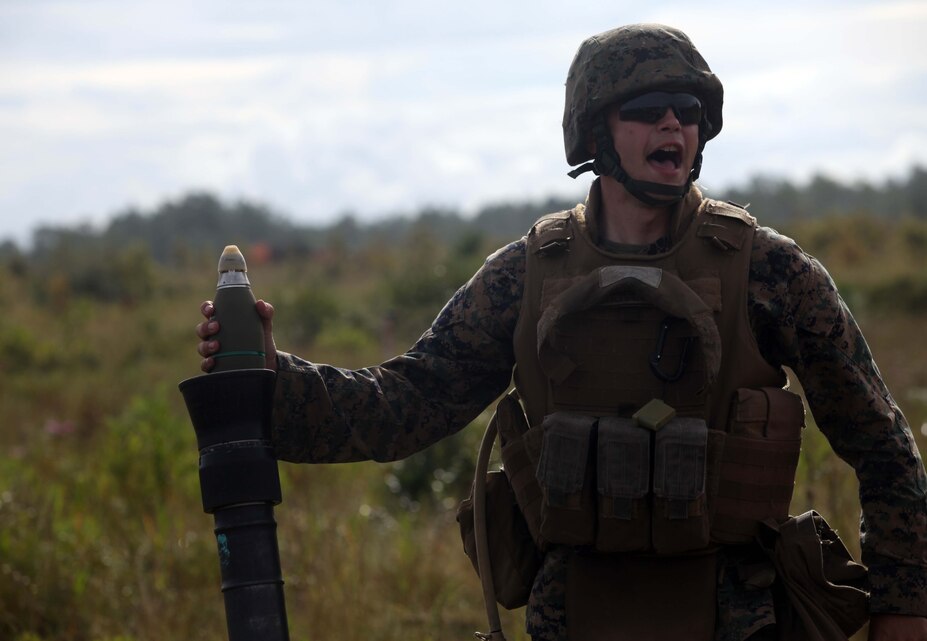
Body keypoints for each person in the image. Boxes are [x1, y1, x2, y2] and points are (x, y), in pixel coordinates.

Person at [196, 24, 927, 641]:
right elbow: (404, 403)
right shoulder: (527, 274)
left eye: (687, 108)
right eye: (647, 109)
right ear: (596, 133)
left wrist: (903, 605)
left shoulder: (771, 272)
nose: (673, 124)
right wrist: (273, 377)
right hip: (571, 612)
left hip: (735, 615)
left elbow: (882, 445)